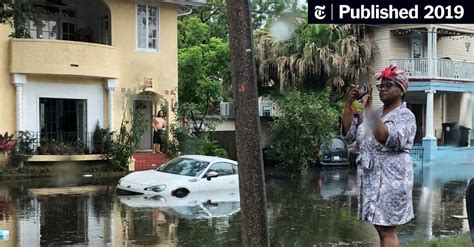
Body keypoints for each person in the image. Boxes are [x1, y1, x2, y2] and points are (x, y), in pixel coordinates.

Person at [341, 64, 417, 247]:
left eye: (388, 85)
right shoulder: (375, 114)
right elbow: (348, 134)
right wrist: (349, 104)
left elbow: (385, 137)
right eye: (381, 86)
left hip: (392, 179)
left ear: (401, 90)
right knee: (380, 227)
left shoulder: (405, 116)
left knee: (387, 229)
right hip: (372, 178)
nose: (383, 89)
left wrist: (367, 110)